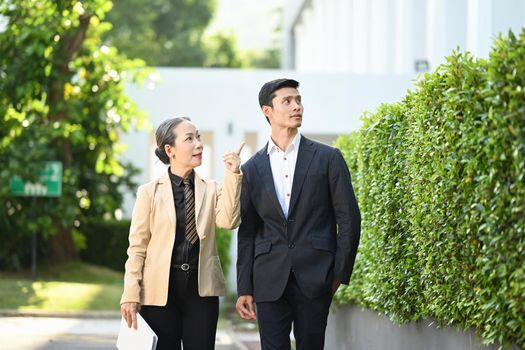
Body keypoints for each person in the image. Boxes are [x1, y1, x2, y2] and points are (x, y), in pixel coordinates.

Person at [235, 79, 361, 350]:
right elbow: (247, 231)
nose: (297, 107)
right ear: (267, 111)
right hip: (268, 278)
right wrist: (245, 286)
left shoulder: (328, 158)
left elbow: (349, 218)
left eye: (299, 100)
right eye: (287, 101)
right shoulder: (252, 168)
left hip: (316, 276)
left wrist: (339, 272)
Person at [120, 117, 244, 350]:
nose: (198, 144)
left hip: (201, 289)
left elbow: (228, 221)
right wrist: (130, 293)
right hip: (159, 291)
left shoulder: (212, 188)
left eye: (198, 137)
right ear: (170, 150)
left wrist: (233, 176)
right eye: (190, 139)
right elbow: (137, 247)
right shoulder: (148, 193)